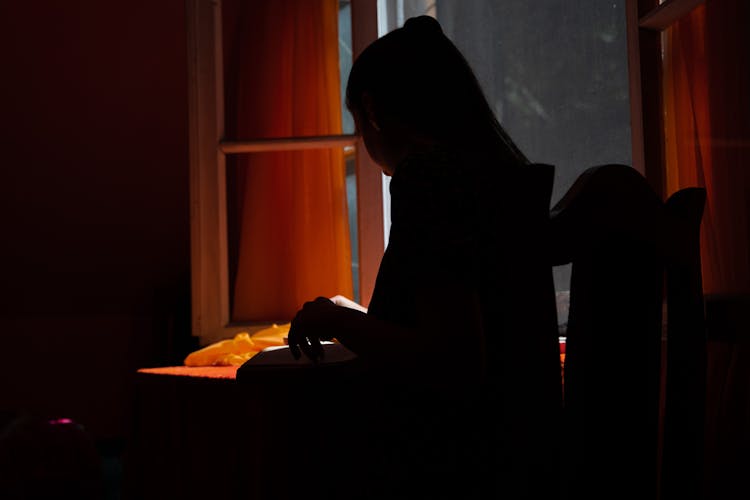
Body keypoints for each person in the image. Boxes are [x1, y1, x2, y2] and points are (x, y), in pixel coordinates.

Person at [286, 15, 560, 499]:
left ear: (372, 111)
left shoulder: (430, 180)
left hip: (448, 464)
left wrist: (338, 322)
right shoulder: (496, 179)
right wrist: (352, 316)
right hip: (517, 456)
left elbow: (451, 361)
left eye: (356, 122)